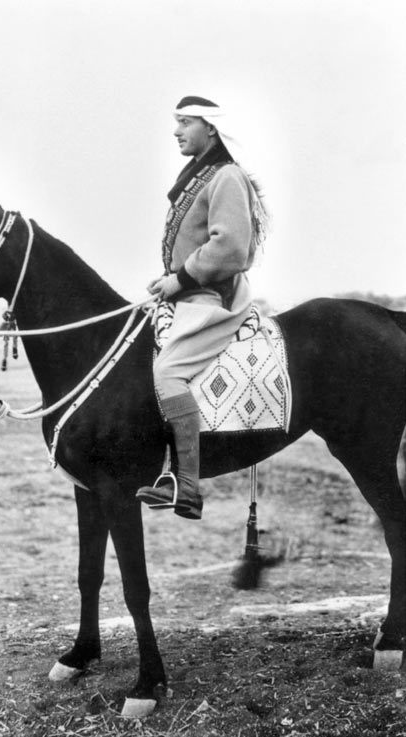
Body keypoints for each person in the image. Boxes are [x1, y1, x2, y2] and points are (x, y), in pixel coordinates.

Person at [136, 95, 268, 520]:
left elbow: (230, 247)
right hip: (186, 294)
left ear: (210, 128)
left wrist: (179, 278)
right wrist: (168, 283)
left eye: (185, 122)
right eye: (176, 122)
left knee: (167, 371)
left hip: (213, 298)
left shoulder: (226, 176)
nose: (176, 131)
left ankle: (188, 487)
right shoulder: (201, 176)